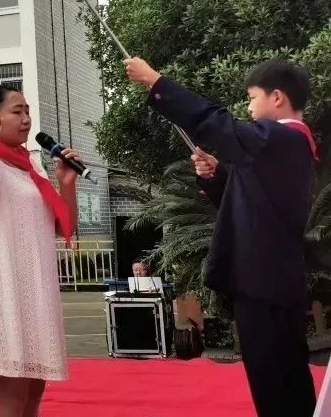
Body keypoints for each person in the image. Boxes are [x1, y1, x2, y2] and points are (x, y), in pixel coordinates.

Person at [126, 56, 318, 416]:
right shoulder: (282, 145)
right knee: (282, 374)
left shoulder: (281, 137)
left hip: (264, 281)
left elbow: (216, 124)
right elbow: (250, 203)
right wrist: (216, 175)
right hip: (270, 279)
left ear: (277, 97)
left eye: (251, 97)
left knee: (274, 378)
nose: (248, 106)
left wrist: (156, 82)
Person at [0, 85, 79, 417]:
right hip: (6, 286)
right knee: (11, 395)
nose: (26, 119)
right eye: (16, 111)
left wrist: (66, 184)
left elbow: (60, 225)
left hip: (37, 288)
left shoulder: (31, 166)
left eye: (27, 111)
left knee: (33, 392)